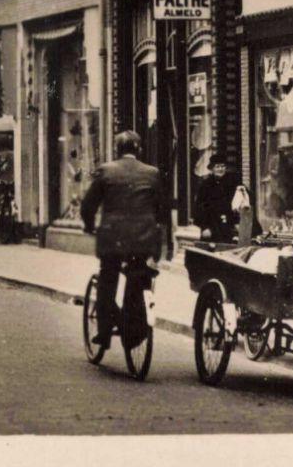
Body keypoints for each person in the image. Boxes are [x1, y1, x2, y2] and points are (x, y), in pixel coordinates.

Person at [80, 130, 171, 349]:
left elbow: (88, 206)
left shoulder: (106, 171)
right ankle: (134, 329)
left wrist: (90, 226)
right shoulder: (152, 173)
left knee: (107, 280)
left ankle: (104, 332)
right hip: (143, 239)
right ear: (138, 150)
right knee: (138, 278)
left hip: (113, 239)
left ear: (117, 150)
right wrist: (160, 238)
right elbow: (163, 210)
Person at [192, 154, 238, 242]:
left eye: (223, 166)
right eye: (217, 167)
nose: (220, 169)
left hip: (227, 226)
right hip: (211, 226)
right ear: (212, 169)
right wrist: (204, 227)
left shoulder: (231, 183)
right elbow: (199, 207)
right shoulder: (205, 185)